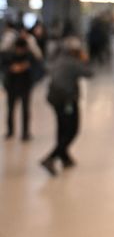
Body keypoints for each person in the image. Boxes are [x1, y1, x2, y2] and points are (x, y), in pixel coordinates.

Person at [41, 37, 93, 176]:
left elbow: (47, 68)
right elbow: (89, 73)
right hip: (67, 100)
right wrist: (85, 59)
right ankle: (52, 157)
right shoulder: (73, 62)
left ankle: (64, 158)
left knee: (62, 127)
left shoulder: (57, 59)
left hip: (54, 98)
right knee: (72, 130)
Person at [3, 37, 37, 140]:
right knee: (10, 110)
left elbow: (38, 67)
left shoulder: (29, 55)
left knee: (25, 110)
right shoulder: (8, 55)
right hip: (11, 86)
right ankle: (10, 131)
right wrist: (12, 68)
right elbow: (4, 67)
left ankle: (25, 133)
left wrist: (26, 67)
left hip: (25, 86)